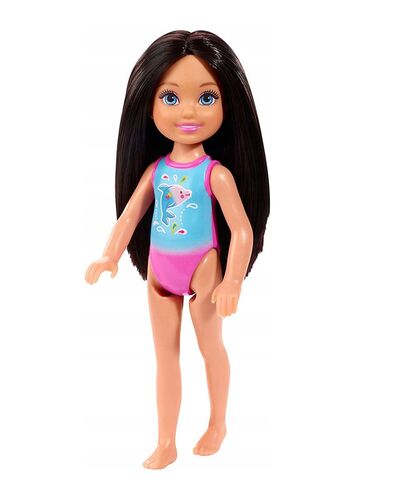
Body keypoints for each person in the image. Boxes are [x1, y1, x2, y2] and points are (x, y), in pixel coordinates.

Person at [85, 30, 270, 469]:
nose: (188, 111)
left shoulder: (215, 174)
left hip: (203, 266)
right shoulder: (156, 170)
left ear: (227, 105)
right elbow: (130, 216)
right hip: (160, 269)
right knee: (165, 358)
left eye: (206, 98)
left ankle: (218, 423)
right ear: (149, 105)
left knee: (210, 347)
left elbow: (241, 230)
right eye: (171, 98)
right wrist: (110, 254)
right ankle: (166, 441)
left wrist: (232, 281)